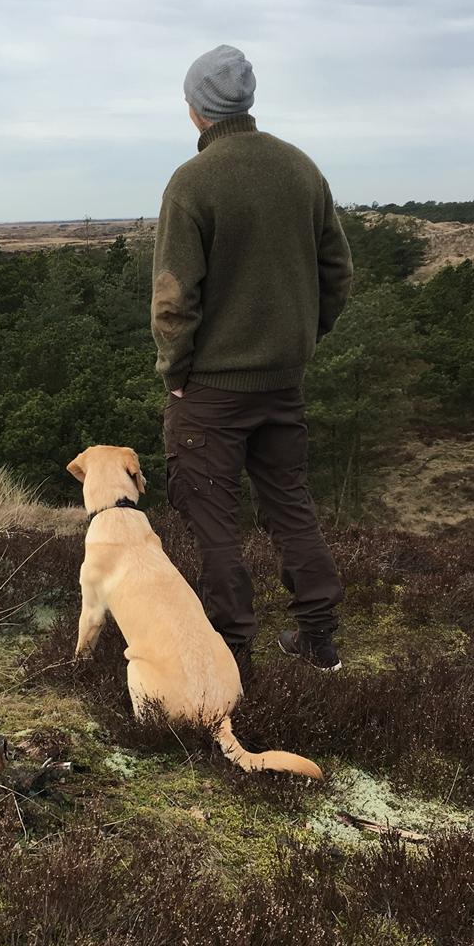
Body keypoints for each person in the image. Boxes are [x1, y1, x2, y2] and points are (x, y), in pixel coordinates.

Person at [151, 44, 352, 681]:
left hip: (210, 390)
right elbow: (338, 274)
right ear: (247, 100)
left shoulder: (193, 182)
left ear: (196, 108)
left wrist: (176, 374)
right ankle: (318, 641)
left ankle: (230, 655)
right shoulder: (301, 169)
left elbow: (174, 297)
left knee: (214, 521)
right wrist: (301, 341)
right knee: (290, 504)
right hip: (283, 381)